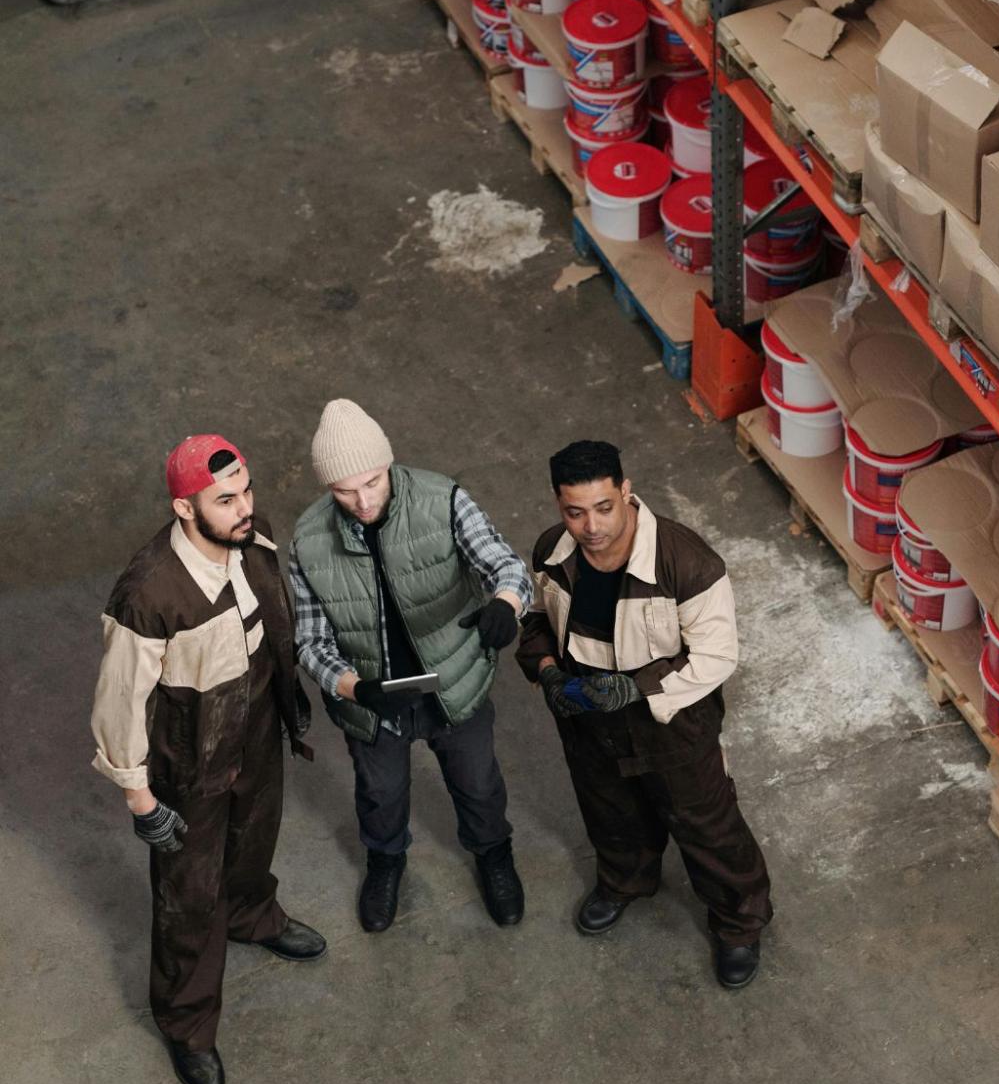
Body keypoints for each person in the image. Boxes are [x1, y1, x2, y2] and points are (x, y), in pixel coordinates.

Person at [91, 436, 327, 1084]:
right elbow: (118, 702)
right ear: (184, 508)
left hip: (255, 725)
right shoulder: (149, 594)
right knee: (189, 895)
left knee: (254, 839)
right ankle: (187, 1021)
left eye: (246, 489)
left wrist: (287, 699)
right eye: (225, 499)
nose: (245, 506)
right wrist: (141, 798)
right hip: (188, 759)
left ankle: (253, 914)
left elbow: (272, 622)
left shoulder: (255, 537)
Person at [516, 439, 772, 989]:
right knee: (610, 810)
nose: (591, 526)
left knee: (705, 823)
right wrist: (546, 670)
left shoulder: (686, 562)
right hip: (587, 715)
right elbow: (536, 619)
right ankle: (626, 880)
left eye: (604, 507)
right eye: (574, 511)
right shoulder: (551, 553)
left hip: (671, 723)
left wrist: (636, 689)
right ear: (559, 506)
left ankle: (737, 923)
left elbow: (716, 655)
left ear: (626, 492)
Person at [290, 399, 530, 934]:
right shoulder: (307, 541)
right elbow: (309, 640)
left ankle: (493, 853)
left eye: (372, 482)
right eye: (344, 491)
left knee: (478, 783)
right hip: (375, 698)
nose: (362, 500)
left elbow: (505, 566)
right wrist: (354, 689)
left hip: (454, 680)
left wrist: (505, 604)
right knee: (379, 793)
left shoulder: (443, 500)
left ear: (389, 465)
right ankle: (385, 861)